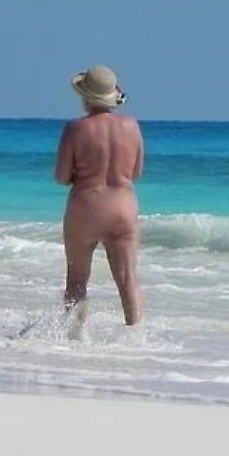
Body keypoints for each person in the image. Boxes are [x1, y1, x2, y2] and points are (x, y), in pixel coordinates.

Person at [55, 65, 144, 328]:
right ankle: (135, 339)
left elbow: (61, 177)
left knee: (77, 280)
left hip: (86, 208)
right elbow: (136, 172)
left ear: (85, 97)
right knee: (127, 280)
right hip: (123, 208)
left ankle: (73, 338)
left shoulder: (76, 129)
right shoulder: (131, 126)